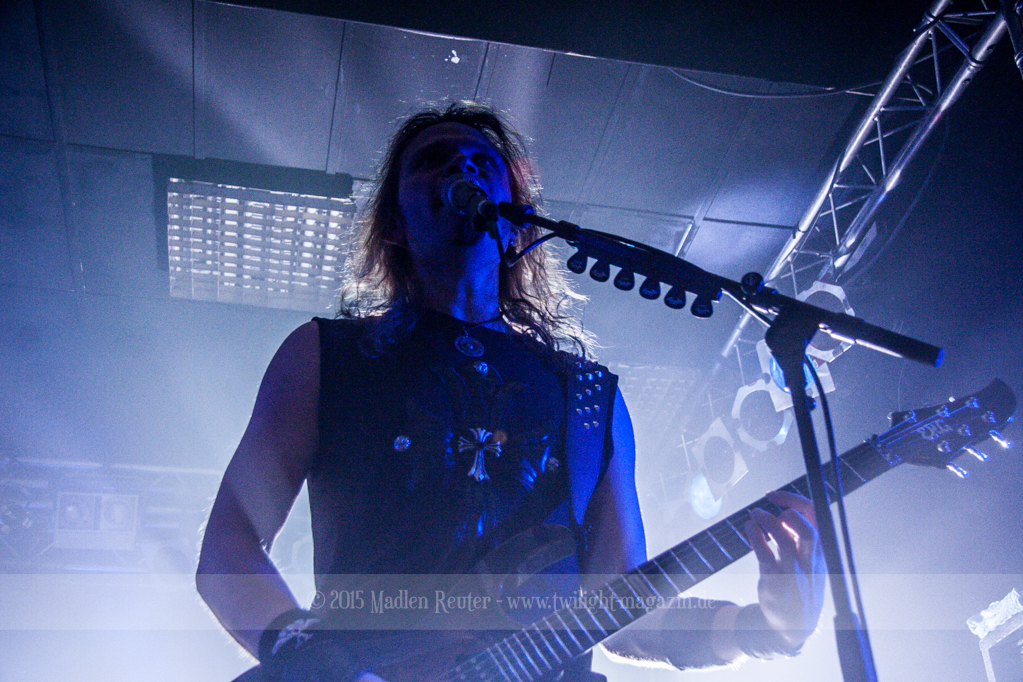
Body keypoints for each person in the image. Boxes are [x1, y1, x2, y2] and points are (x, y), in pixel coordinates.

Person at [196, 101, 825, 682]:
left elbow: (624, 612)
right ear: (394, 226)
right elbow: (229, 547)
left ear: (518, 218)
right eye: (432, 159)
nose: (462, 166)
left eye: (482, 160)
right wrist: (321, 666)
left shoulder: (587, 394)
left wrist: (763, 630)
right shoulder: (327, 354)